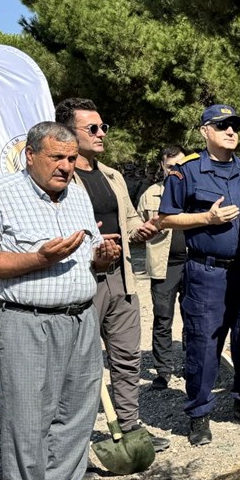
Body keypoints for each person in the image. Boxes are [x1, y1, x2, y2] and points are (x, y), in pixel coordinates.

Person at [0, 121, 121, 480]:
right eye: (56, 157)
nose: (66, 166)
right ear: (30, 155)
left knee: (76, 416)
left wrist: (103, 259)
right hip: (26, 322)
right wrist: (37, 258)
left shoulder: (77, 195)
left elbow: (91, 260)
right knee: (27, 421)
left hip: (82, 319)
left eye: (71, 158)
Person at [55, 98, 167, 453]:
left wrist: (142, 230)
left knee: (126, 357)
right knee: (80, 367)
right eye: (93, 128)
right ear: (68, 133)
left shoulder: (113, 175)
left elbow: (129, 221)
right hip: (80, 281)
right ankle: (74, 443)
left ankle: (131, 429)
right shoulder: (59, 179)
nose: (102, 133)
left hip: (121, 278)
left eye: (103, 127)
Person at [160, 104, 240, 446]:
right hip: (207, 272)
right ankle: (199, 415)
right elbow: (166, 218)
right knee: (204, 345)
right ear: (205, 131)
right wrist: (206, 219)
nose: (231, 131)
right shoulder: (187, 173)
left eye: (235, 125)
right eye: (222, 126)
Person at [138, 145, 186, 391]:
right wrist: (145, 228)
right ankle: (163, 370)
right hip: (163, 266)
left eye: (179, 166)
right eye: (169, 167)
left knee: (193, 318)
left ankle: (192, 365)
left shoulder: (195, 190)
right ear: (162, 167)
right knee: (162, 318)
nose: (174, 171)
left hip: (193, 263)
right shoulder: (150, 195)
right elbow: (135, 228)